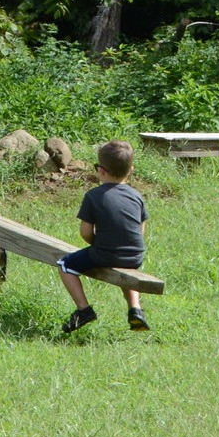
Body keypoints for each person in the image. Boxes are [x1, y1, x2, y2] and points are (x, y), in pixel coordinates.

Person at [59, 139, 149, 333]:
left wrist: (97, 245)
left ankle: (84, 310)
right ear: (131, 169)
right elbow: (140, 230)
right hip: (135, 256)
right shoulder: (137, 196)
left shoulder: (93, 196)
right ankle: (136, 309)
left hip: (105, 253)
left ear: (100, 170)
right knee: (128, 269)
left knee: (65, 265)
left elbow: (85, 232)